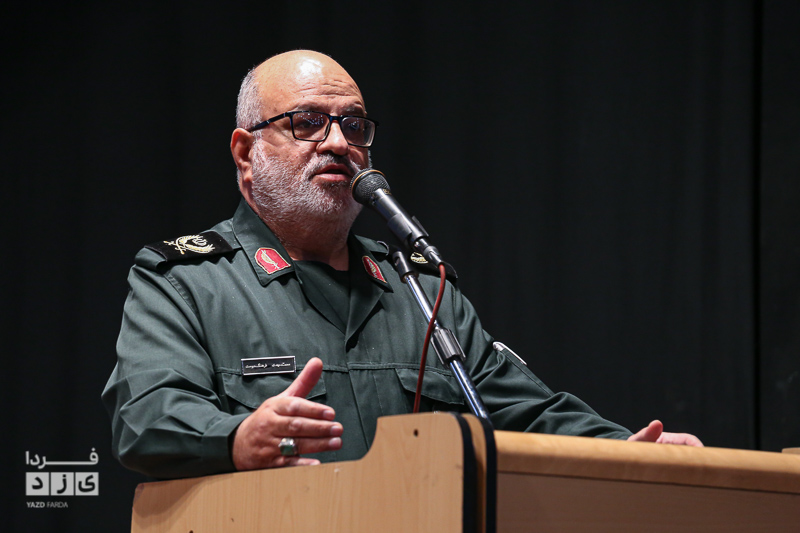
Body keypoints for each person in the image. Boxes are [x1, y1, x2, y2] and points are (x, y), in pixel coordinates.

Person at [102, 50, 701, 479]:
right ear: (245, 153)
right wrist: (237, 438)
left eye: (353, 126)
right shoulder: (184, 281)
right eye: (307, 122)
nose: (338, 142)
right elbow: (146, 417)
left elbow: (524, 410)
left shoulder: (418, 287)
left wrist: (626, 449)